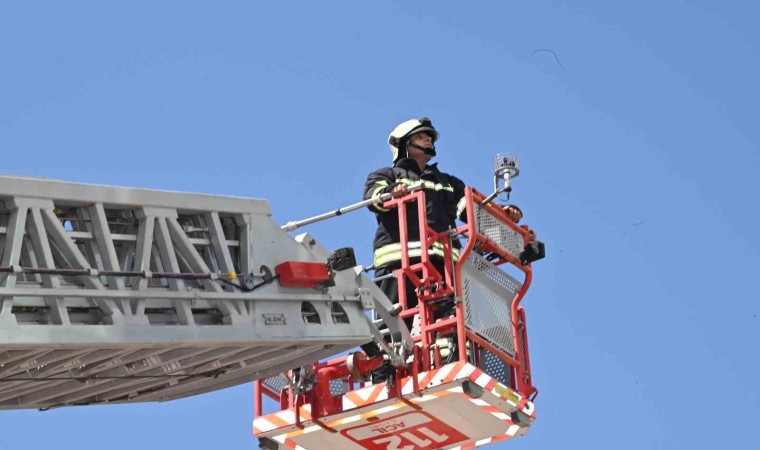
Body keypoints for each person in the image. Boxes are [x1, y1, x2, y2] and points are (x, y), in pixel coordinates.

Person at [360, 117, 521, 377]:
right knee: (391, 324)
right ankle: (380, 378)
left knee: (451, 319)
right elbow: (373, 198)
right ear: (404, 144)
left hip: (442, 265)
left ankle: (451, 368)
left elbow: (473, 213)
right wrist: (392, 191)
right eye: (422, 136)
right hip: (398, 263)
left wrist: (503, 216)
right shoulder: (385, 175)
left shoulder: (447, 182)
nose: (429, 139)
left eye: (430, 137)